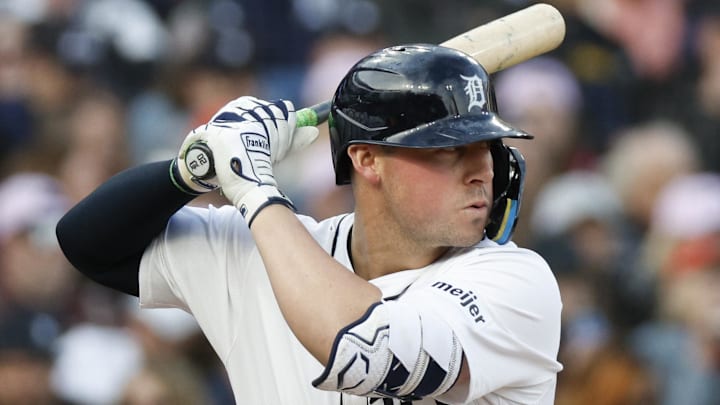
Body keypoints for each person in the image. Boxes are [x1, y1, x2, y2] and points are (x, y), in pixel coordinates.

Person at [56, 44, 562, 404]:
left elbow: (363, 346)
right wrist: (192, 169)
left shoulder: (516, 283)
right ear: (367, 161)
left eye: (488, 148)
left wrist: (254, 189)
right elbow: (87, 242)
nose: (484, 172)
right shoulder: (263, 251)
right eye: (452, 150)